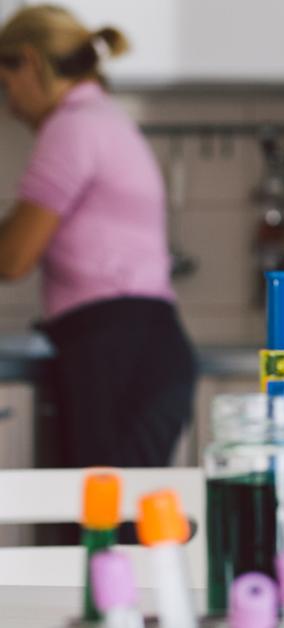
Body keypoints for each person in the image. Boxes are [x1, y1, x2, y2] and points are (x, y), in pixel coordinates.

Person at [0, 6, 195, 468]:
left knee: (110, 525)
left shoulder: (72, 129)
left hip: (120, 353)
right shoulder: (98, 119)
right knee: (115, 524)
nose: (8, 105)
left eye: (5, 83)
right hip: (134, 349)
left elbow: (12, 258)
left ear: (29, 61)